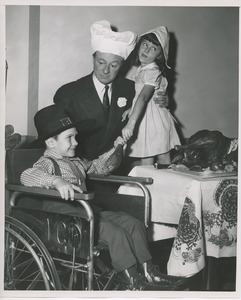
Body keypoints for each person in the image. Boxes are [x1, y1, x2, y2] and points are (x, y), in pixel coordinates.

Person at [20, 104, 186, 291]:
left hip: (88, 213)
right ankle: (132, 281)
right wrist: (56, 181)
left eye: (75, 136)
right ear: (51, 143)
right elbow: (27, 175)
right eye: (69, 138)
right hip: (66, 220)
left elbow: (101, 167)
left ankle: (149, 272)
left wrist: (118, 146)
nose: (75, 142)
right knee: (114, 232)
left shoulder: (75, 162)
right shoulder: (46, 162)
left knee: (133, 223)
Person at [53, 20, 169, 166]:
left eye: (113, 65)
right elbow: (56, 142)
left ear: (121, 66)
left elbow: (146, 99)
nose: (106, 70)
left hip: (118, 172)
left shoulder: (130, 88)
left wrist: (163, 100)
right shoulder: (68, 93)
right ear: (93, 59)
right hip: (80, 173)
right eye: (101, 62)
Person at [122, 26, 181, 165]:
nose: (147, 50)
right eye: (145, 44)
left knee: (162, 156)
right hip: (145, 120)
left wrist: (130, 124)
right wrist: (131, 108)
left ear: (159, 55)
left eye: (154, 48)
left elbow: (143, 97)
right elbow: (139, 96)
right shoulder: (142, 69)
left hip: (155, 121)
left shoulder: (152, 71)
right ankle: (149, 185)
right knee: (146, 157)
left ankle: (166, 185)